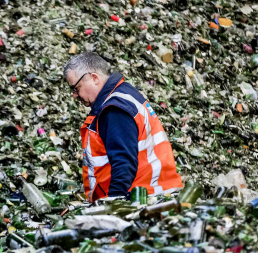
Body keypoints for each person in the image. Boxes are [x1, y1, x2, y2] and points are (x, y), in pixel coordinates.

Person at [63, 52, 183, 201]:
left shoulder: (115, 109)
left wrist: (114, 205)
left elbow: (123, 164)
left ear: (94, 78)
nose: (75, 95)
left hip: (142, 200)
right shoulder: (124, 94)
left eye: (76, 88)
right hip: (155, 194)